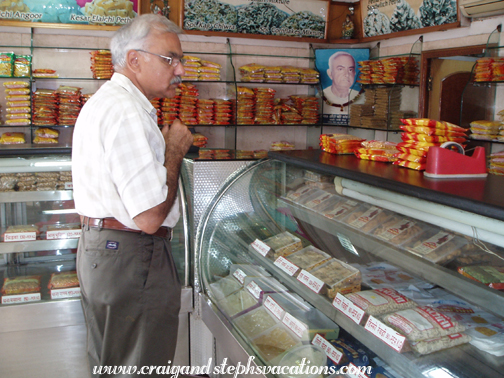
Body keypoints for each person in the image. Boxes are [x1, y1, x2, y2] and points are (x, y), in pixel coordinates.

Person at [72, 14, 193, 376]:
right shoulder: (126, 112)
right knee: (139, 366)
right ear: (135, 59)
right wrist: (174, 150)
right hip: (130, 257)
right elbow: (150, 217)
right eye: (170, 58)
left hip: (109, 254)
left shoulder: (108, 103)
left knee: (114, 363)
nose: (180, 70)